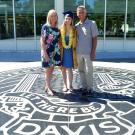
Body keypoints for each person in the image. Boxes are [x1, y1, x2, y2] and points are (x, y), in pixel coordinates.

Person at [75, 5, 98, 95]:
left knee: (89, 71)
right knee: (81, 70)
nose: (81, 14)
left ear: (85, 13)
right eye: (79, 12)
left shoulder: (92, 23)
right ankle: (84, 87)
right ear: (77, 14)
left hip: (88, 52)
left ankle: (90, 88)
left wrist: (93, 51)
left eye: (82, 12)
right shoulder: (76, 26)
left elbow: (95, 38)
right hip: (78, 52)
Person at [40, 9, 61, 96]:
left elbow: (58, 41)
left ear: (57, 17)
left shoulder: (57, 28)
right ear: (49, 17)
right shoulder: (46, 27)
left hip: (55, 52)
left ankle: (47, 86)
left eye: (55, 15)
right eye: (51, 15)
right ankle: (49, 88)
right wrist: (45, 54)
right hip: (47, 52)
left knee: (51, 69)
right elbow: (42, 40)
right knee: (48, 70)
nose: (53, 17)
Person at [60, 11, 77, 92]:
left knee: (69, 69)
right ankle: (65, 85)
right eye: (66, 18)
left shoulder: (74, 29)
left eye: (69, 19)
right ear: (64, 19)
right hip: (63, 51)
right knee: (63, 68)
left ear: (71, 20)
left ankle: (70, 85)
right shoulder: (61, 29)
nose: (67, 20)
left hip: (70, 52)